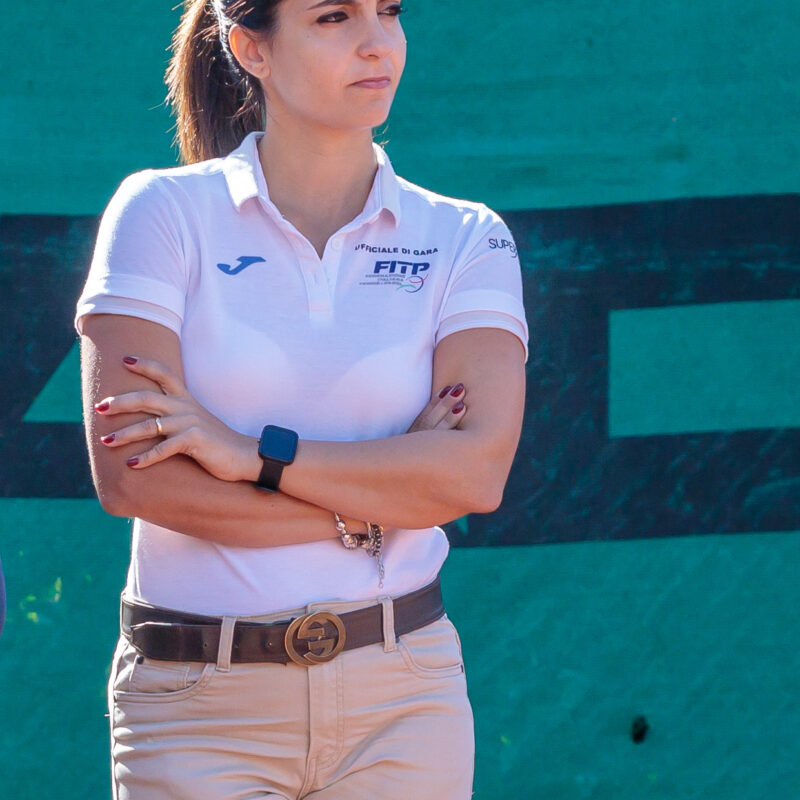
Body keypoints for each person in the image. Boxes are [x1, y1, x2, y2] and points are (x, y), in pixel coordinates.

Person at [74, 0, 529, 797]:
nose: (377, 43)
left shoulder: (468, 236)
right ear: (251, 48)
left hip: (405, 702)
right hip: (194, 708)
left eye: (389, 11)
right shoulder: (158, 212)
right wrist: (379, 506)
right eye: (333, 17)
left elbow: (473, 475)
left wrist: (251, 455)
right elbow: (136, 482)